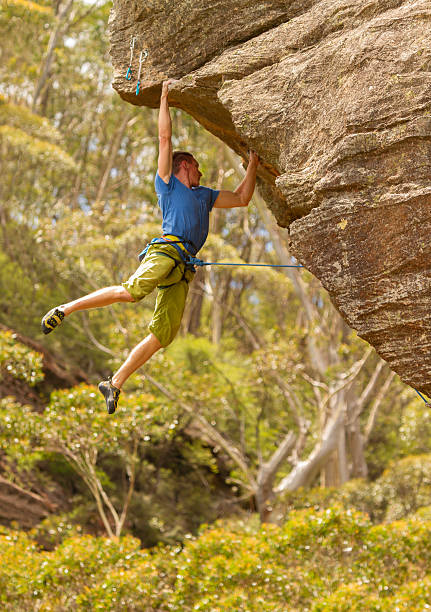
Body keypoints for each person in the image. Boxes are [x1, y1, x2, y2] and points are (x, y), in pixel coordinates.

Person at [41, 80, 259, 414]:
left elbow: (243, 198)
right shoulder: (168, 184)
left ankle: (114, 382)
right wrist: (164, 99)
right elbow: (164, 138)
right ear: (184, 165)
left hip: (183, 267)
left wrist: (254, 160)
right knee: (132, 292)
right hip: (166, 251)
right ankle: (64, 309)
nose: (201, 171)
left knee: (164, 334)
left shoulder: (206, 196)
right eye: (197, 166)